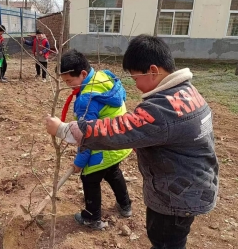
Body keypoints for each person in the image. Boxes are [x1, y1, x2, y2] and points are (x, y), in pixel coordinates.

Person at [46, 35, 219, 248]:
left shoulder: (161, 109)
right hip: (192, 183)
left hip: (175, 195)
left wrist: (64, 129)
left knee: (164, 241)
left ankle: (95, 216)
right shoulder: (188, 92)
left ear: (154, 70)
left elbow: (118, 129)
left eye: (136, 78)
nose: (135, 86)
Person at [58, 49, 132, 230]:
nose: (68, 85)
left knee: (89, 178)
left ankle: (92, 217)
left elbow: (87, 136)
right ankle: (126, 206)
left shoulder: (86, 99)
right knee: (113, 173)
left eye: (69, 81)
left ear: (83, 73)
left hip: (102, 148)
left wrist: (79, 163)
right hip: (120, 143)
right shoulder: (104, 76)